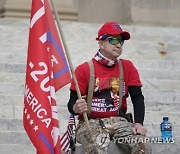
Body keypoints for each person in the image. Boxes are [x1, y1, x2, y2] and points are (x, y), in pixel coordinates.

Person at [68, 21, 151, 154]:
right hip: (90, 123)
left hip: (120, 121)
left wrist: (139, 123)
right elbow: (71, 103)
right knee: (98, 145)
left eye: (121, 41)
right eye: (113, 40)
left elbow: (137, 97)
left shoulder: (127, 67)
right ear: (101, 43)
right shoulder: (84, 69)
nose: (118, 45)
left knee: (142, 145)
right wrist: (76, 107)